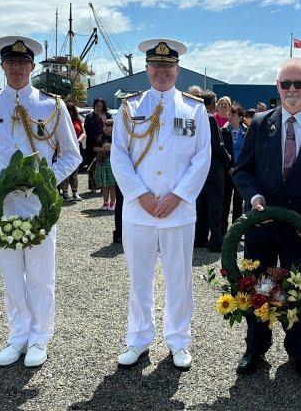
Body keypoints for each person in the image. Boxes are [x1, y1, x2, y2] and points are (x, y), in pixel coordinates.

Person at [0, 35, 81, 367]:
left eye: (22, 63)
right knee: (11, 274)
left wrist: (45, 184)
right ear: (2, 66)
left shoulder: (51, 105)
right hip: (1, 206)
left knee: (41, 274)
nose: (16, 68)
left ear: (32, 67)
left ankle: (39, 338)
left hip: (37, 206)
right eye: (10, 62)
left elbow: (71, 156)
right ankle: (18, 335)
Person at [232, 57, 301, 380]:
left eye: (298, 83)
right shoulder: (261, 123)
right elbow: (242, 171)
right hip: (262, 225)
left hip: (300, 228)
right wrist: (253, 197)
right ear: (277, 87)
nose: (291, 90)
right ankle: (255, 348)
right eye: (285, 84)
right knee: (259, 287)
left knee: (298, 290)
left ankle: (298, 352)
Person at [111, 38, 211, 370]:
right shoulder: (129, 107)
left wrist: (177, 196)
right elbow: (119, 157)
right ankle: (138, 339)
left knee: (179, 278)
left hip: (178, 211)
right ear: (147, 69)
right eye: (156, 66)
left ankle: (179, 340)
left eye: (168, 67)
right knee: (139, 278)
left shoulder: (195, 109)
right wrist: (138, 194)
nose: (162, 72)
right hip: (138, 210)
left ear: (177, 69)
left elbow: (202, 159)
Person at [195, 89, 230, 252]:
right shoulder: (209, 119)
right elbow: (217, 145)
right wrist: (228, 158)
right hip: (213, 169)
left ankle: (200, 238)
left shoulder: (195, 117)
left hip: (199, 169)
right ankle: (216, 241)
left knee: (201, 205)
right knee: (215, 205)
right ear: (211, 103)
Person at [221, 103, 247, 236]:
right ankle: (223, 231)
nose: (229, 117)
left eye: (233, 115)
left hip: (241, 173)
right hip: (227, 173)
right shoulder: (223, 131)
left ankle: (236, 232)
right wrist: (229, 167)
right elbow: (221, 152)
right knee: (225, 203)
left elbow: (249, 153)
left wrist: (240, 169)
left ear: (241, 117)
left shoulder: (247, 132)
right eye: (229, 114)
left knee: (238, 203)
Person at [60, 103, 84, 202]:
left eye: (72, 110)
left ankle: (75, 192)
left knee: (75, 173)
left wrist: (79, 140)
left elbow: (83, 133)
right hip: (64, 150)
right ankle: (65, 193)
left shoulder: (78, 121)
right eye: (68, 110)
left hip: (76, 148)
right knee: (65, 172)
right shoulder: (61, 121)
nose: (70, 113)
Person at [84, 98, 110, 177]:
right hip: (93, 144)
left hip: (106, 143)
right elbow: (87, 129)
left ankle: (104, 186)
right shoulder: (89, 116)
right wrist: (95, 137)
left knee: (105, 165)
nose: (99, 108)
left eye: (101, 106)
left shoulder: (107, 115)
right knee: (93, 165)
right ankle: (94, 186)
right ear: (94, 106)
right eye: (97, 106)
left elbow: (111, 128)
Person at [94, 119, 116, 210]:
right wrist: (101, 149)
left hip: (112, 163)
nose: (105, 128)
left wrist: (112, 149)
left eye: (107, 126)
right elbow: (94, 148)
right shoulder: (100, 137)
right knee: (104, 184)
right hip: (102, 162)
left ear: (113, 127)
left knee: (112, 184)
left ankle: (113, 203)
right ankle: (105, 202)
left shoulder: (116, 137)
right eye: (104, 126)